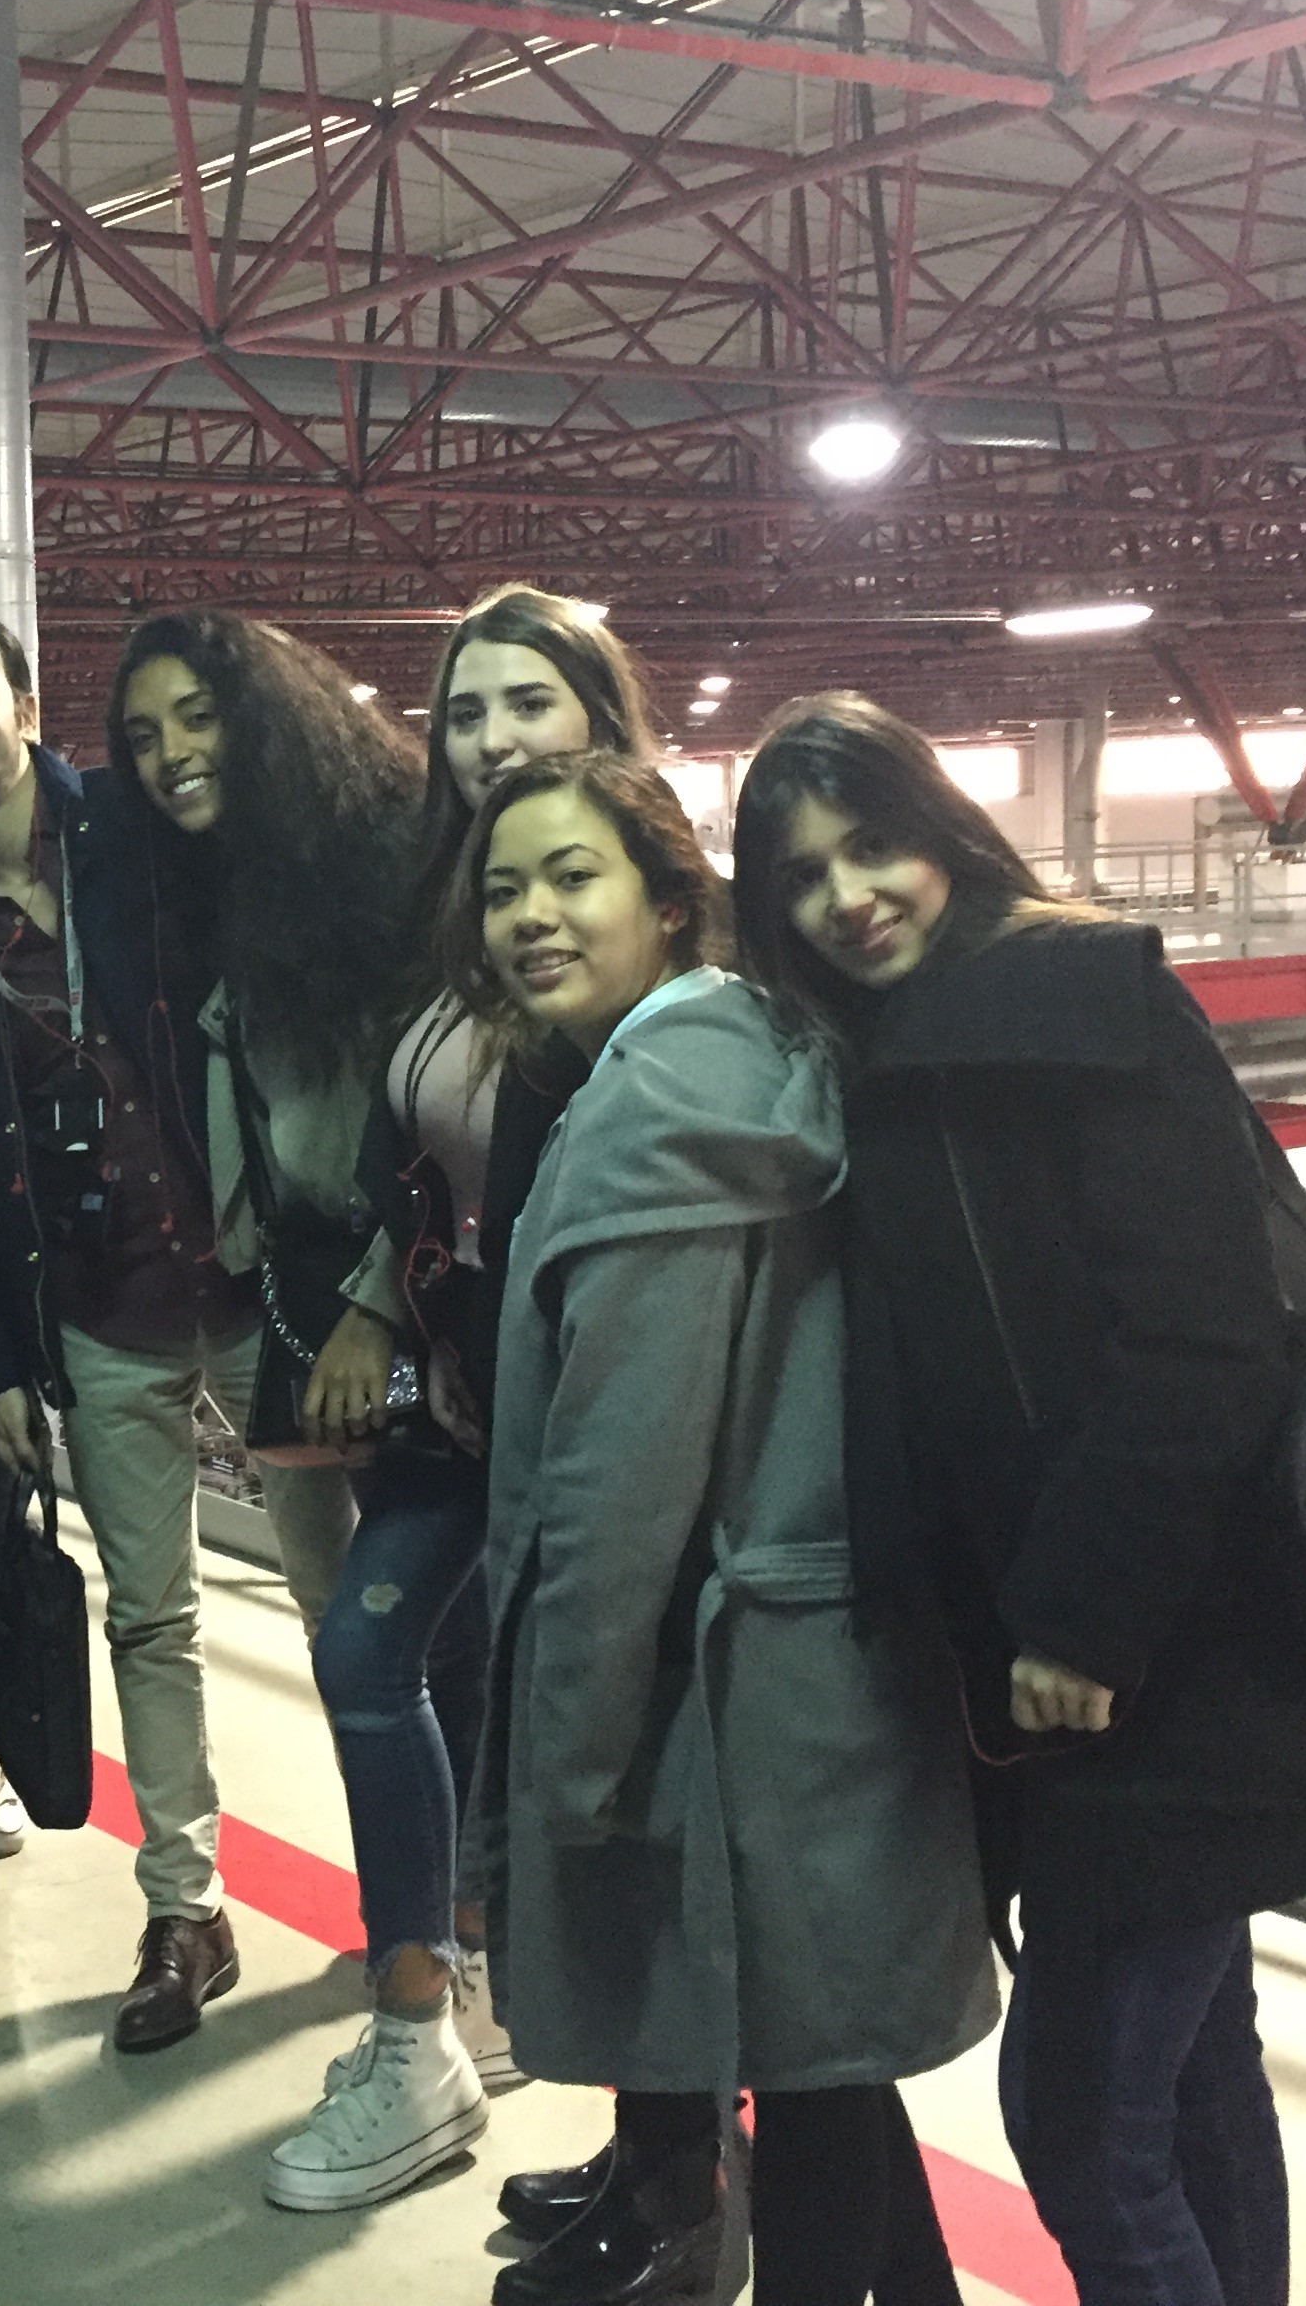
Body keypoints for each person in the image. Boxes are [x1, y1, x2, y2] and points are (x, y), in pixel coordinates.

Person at [733, 696, 1306, 2306]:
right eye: (803, 878)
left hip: (1162, 1666)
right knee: (1194, 2076)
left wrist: (1081, 1614)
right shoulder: (883, 1051)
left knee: (1078, 2126)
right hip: (1067, 1684)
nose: (850, 897)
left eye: (874, 847)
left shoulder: (1084, 997)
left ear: (943, 830)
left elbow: (1202, 1338)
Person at [466, 750, 997, 2306]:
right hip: (826, 1662)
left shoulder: (655, 1106)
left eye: (574, 877)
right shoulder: (759, 1052)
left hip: (734, 1697)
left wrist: (563, 1764)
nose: (533, 915)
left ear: (668, 899)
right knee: (830, 2070)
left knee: (806, 2097)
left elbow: (619, 1479)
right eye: (503, 890)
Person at [268, 588, 658, 2208]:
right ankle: (424, 2006)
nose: (492, 737)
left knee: (612, 1764)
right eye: (468, 710)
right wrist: (374, 1300)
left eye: (527, 702)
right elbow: (423, 1164)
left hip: (591, 1422)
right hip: (455, 1399)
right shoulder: (463, 915)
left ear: (599, 718)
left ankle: (667, 2154)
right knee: (377, 1650)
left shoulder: (640, 937)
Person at [0, 597, 305, 2050]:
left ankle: (430, 1908)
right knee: (152, 1617)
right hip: (98, 1315)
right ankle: (186, 1907)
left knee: (347, 1610)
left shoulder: (136, 828)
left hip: (256, 1279)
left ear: (22, 700)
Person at [105, 608, 422, 1640]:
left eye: (198, 717)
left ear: (265, 720)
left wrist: (378, 1306)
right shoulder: (212, 888)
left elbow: (439, 1119)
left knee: (414, 1633)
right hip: (299, 1287)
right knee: (342, 1614)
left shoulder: (385, 863)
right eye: (144, 736)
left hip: (409, 1297)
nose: (171, 754)